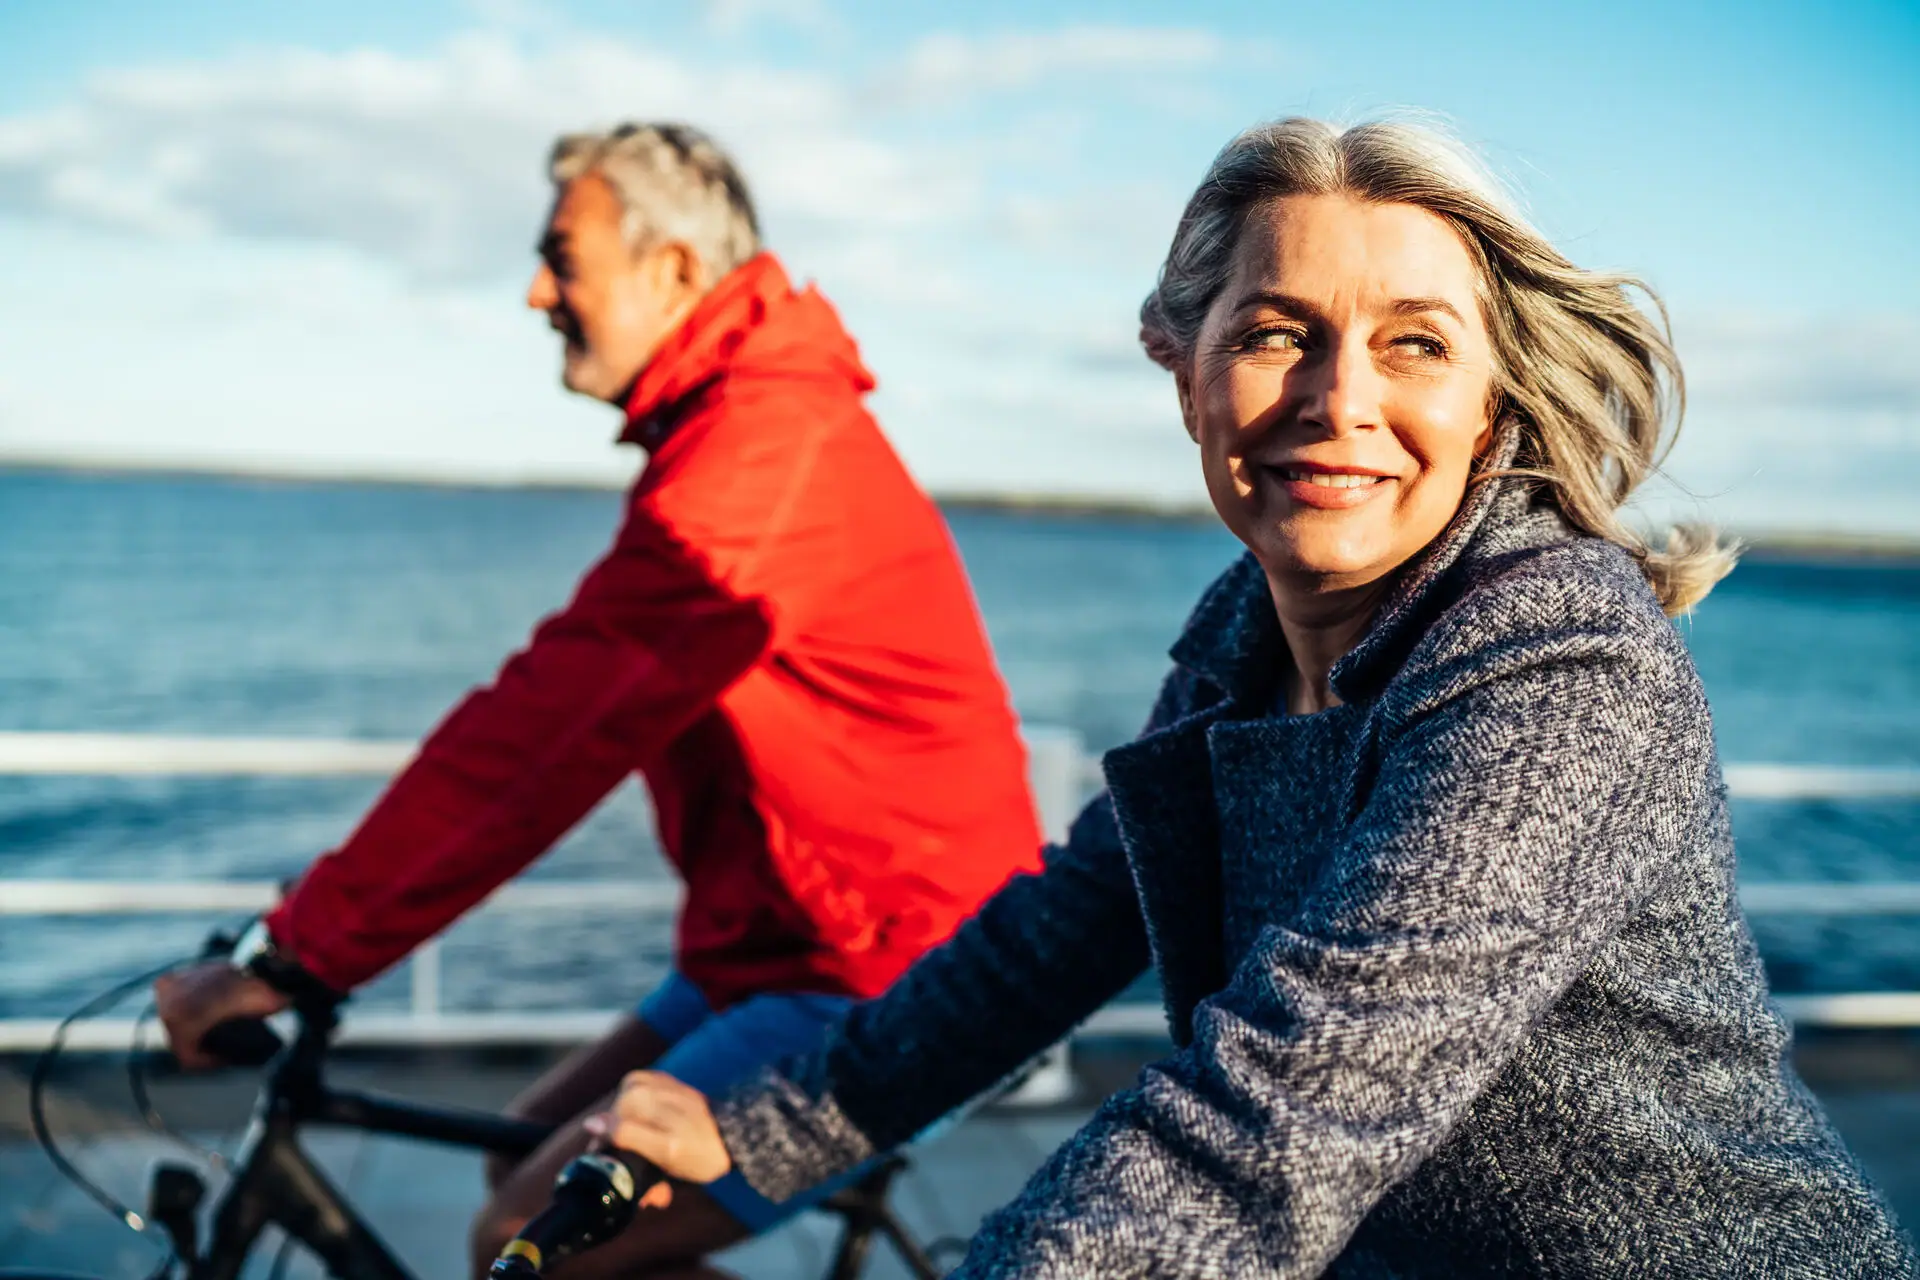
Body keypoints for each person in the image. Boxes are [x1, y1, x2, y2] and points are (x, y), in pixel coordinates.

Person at [594, 117, 1920, 1277]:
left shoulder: (1564, 659)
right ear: (1183, 369)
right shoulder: (1240, 637)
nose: (1342, 401)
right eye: (1279, 334)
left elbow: (1287, 1098)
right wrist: (784, 1127)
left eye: (1415, 347)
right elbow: (1072, 920)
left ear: (1492, 408)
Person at [152, 121, 1045, 1279]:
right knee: (519, 1154)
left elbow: (543, 736)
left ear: (674, 270)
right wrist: (312, 920)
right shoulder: (737, 430)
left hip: (896, 964)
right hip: (778, 946)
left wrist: (298, 953)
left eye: (561, 255)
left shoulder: (767, 453)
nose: (535, 291)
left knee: (528, 1243)